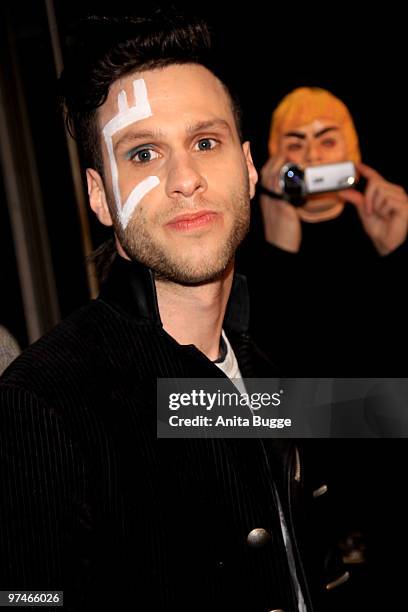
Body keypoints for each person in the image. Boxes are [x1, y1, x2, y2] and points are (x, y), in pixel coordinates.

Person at [0, 12, 349, 612]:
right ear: (97, 194)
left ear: (245, 168)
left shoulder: (270, 369)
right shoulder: (44, 403)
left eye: (204, 143)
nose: (183, 179)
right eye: (143, 154)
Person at [240, 87, 408, 376]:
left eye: (327, 141)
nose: (313, 156)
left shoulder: (384, 221)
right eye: (295, 144)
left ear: (351, 149)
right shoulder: (244, 238)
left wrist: (394, 249)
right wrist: (279, 252)